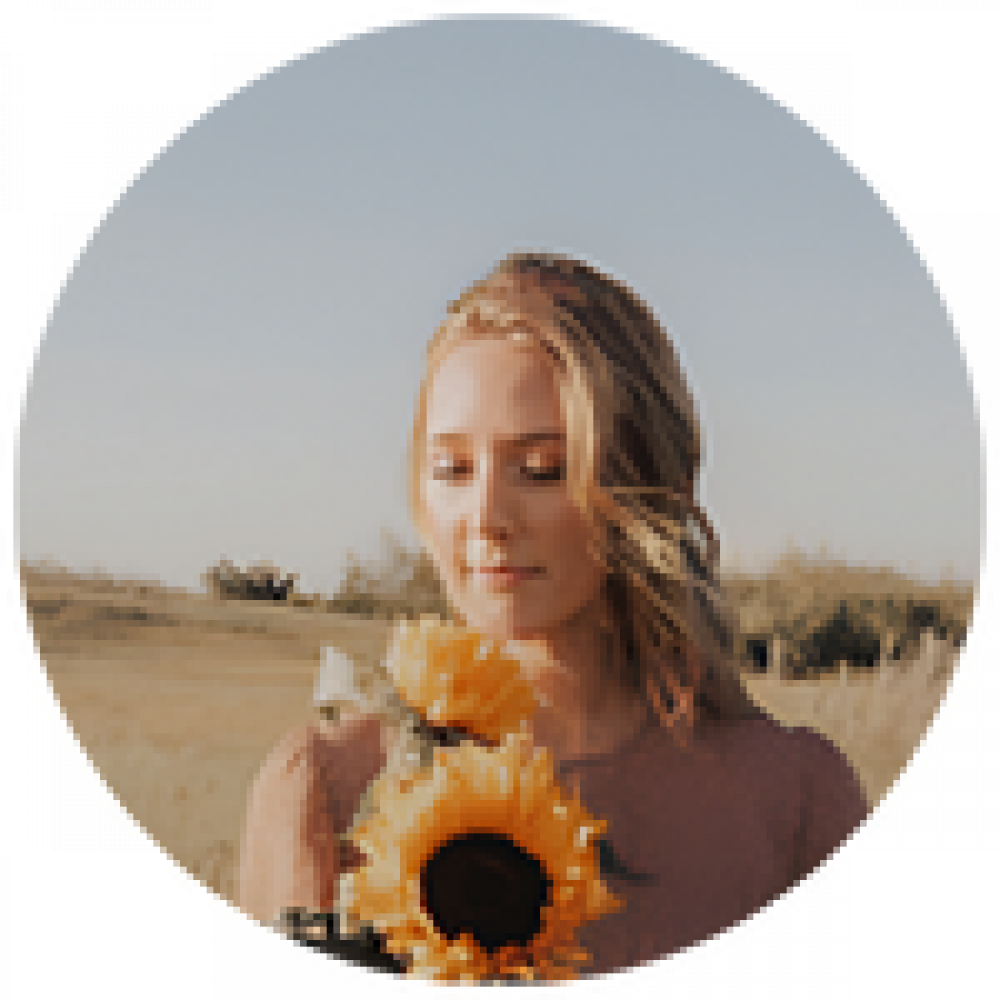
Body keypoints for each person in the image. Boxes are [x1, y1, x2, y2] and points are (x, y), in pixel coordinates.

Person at [236, 252, 872, 987]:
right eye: (451, 469)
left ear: (640, 484)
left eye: (540, 468)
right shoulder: (329, 786)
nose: (485, 518)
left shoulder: (792, 800)